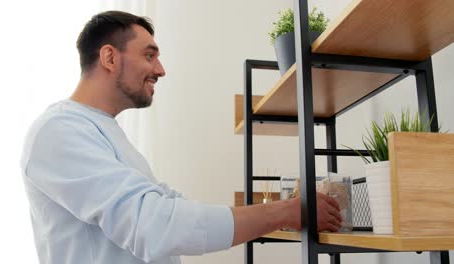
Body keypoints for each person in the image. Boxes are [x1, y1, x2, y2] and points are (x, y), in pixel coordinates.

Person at [20, 10, 342, 264]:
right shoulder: (58, 131)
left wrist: (278, 210)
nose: (161, 70)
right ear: (109, 57)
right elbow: (155, 226)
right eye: (149, 55)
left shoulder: (106, 133)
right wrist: (286, 212)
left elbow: (172, 208)